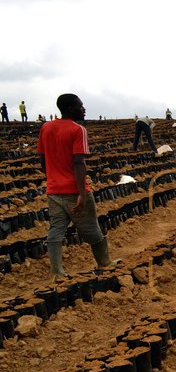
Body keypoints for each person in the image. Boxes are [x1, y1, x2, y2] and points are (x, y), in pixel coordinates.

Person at [38, 93, 118, 282]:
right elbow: (78, 162)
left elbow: (42, 159)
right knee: (91, 227)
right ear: (70, 108)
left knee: (56, 229)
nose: (84, 109)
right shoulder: (77, 130)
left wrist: (52, 178)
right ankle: (104, 262)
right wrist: (81, 193)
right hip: (74, 190)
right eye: (81, 106)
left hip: (54, 190)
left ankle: (57, 272)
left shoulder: (46, 128)